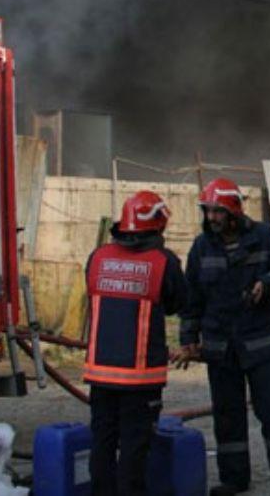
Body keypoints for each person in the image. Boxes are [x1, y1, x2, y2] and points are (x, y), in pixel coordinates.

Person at [174, 178, 270, 494]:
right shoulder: (201, 247)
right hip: (220, 349)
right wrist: (189, 338)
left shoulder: (265, 238)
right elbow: (191, 298)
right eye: (208, 212)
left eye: (218, 211)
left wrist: (269, 282)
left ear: (234, 210)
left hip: (261, 346)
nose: (212, 218)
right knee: (227, 415)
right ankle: (234, 479)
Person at [84, 191, 186, 496]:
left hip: (100, 374)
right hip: (140, 379)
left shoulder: (98, 256)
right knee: (134, 448)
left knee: (102, 442)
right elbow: (178, 302)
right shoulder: (162, 262)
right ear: (158, 224)